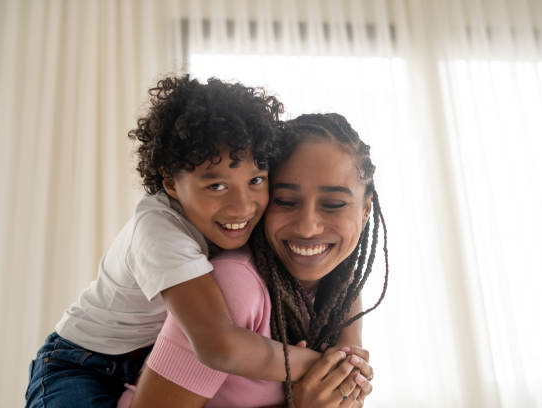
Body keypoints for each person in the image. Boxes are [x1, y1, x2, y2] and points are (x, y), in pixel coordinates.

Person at [25, 76, 325, 408]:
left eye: (255, 179)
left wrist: (350, 343)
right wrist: (316, 366)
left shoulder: (245, 217)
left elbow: (337, 265)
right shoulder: (158, 230)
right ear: (170, 181)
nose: (242, 205)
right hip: (83, 363)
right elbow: (218, 345)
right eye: (216, 186)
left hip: (144, 361)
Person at [120, 113, 389, 407]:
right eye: (286, 201)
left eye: (333, 204)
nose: (307, 227)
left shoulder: (341, 284)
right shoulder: (235, 286)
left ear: (365, 209)